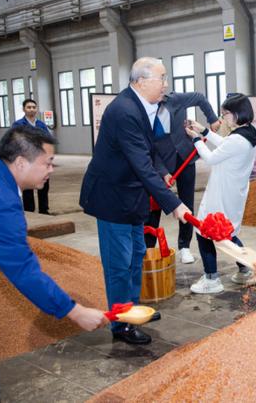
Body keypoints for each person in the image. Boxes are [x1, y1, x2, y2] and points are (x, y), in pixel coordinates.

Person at [0, 126, 107, 402]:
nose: (52, 169)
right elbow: (23, 270)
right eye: (47, 162)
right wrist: (74, 310)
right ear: (20, 162)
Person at [79, 57, 191, 345]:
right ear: (141, 81)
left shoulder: (143, 106)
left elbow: (150, 150)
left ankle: (133, 308)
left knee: (136, 256)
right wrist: (175, 204)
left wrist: (164, 172)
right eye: (162, 78)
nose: (166, 84)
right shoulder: (125, 111)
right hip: (112, 197)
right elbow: (141, 164)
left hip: (132, 196)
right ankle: (121, 324)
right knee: (119, 264)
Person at [185, 94, 256, 293]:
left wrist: (196, 140)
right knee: (229, 232)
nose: (223, 117)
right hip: (234, 191)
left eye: (225, 113)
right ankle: (245, 271)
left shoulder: (237, 139)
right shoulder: (248, 132)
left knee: (204, 231)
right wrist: (204, 131)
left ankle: (211, 279)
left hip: (222, 192)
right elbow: (225, 145)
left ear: (236, 114)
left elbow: (210, 157)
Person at [145, 91, 221, 265]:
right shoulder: (143, 111)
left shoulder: (175, 99)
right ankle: (148, 248)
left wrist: (213, 119)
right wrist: (163, 172)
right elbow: (149, 147)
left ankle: (184, 246)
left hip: (185, 157)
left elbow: (201, 97)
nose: (163, 87)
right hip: (161, 162)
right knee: (154, 205)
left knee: (186, 203)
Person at [12, 99, 51, 214]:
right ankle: (29, 210)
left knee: (43, 186)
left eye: (34, 107)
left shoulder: (41, 125)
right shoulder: (18, 125)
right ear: (24, 109)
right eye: (29, 107)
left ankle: (44, 210)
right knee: (28, 187)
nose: (32, 109)